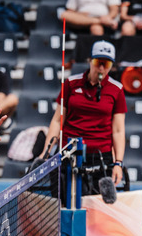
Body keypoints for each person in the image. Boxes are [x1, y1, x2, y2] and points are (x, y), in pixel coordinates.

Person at [43, 41, 127, 188]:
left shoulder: (117, 89)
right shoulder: (71, 83)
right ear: (90, 61)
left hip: (100, 156)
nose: (101, 68)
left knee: (95, 205)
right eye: (97, 62)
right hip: (69, 152)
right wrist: (46, 153)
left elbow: (118, 131)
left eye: (106, 64)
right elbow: (57, 121)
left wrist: (118, 162)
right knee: (63, 200)